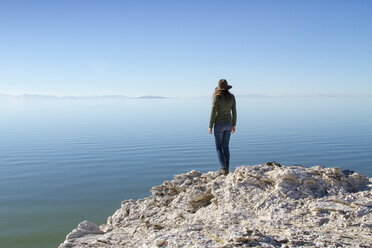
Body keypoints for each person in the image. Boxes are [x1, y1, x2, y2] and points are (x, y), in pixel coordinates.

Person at [209, 79, 237, 175]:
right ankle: (227, 169)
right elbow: (234, 111)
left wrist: (210, 125)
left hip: (219, 124)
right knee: (226, 147)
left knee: (218, 147)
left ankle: (223, 168)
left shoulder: (217, 97)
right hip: (229, 124)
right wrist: (234, 124)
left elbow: (213, 111)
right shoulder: (231, 97)